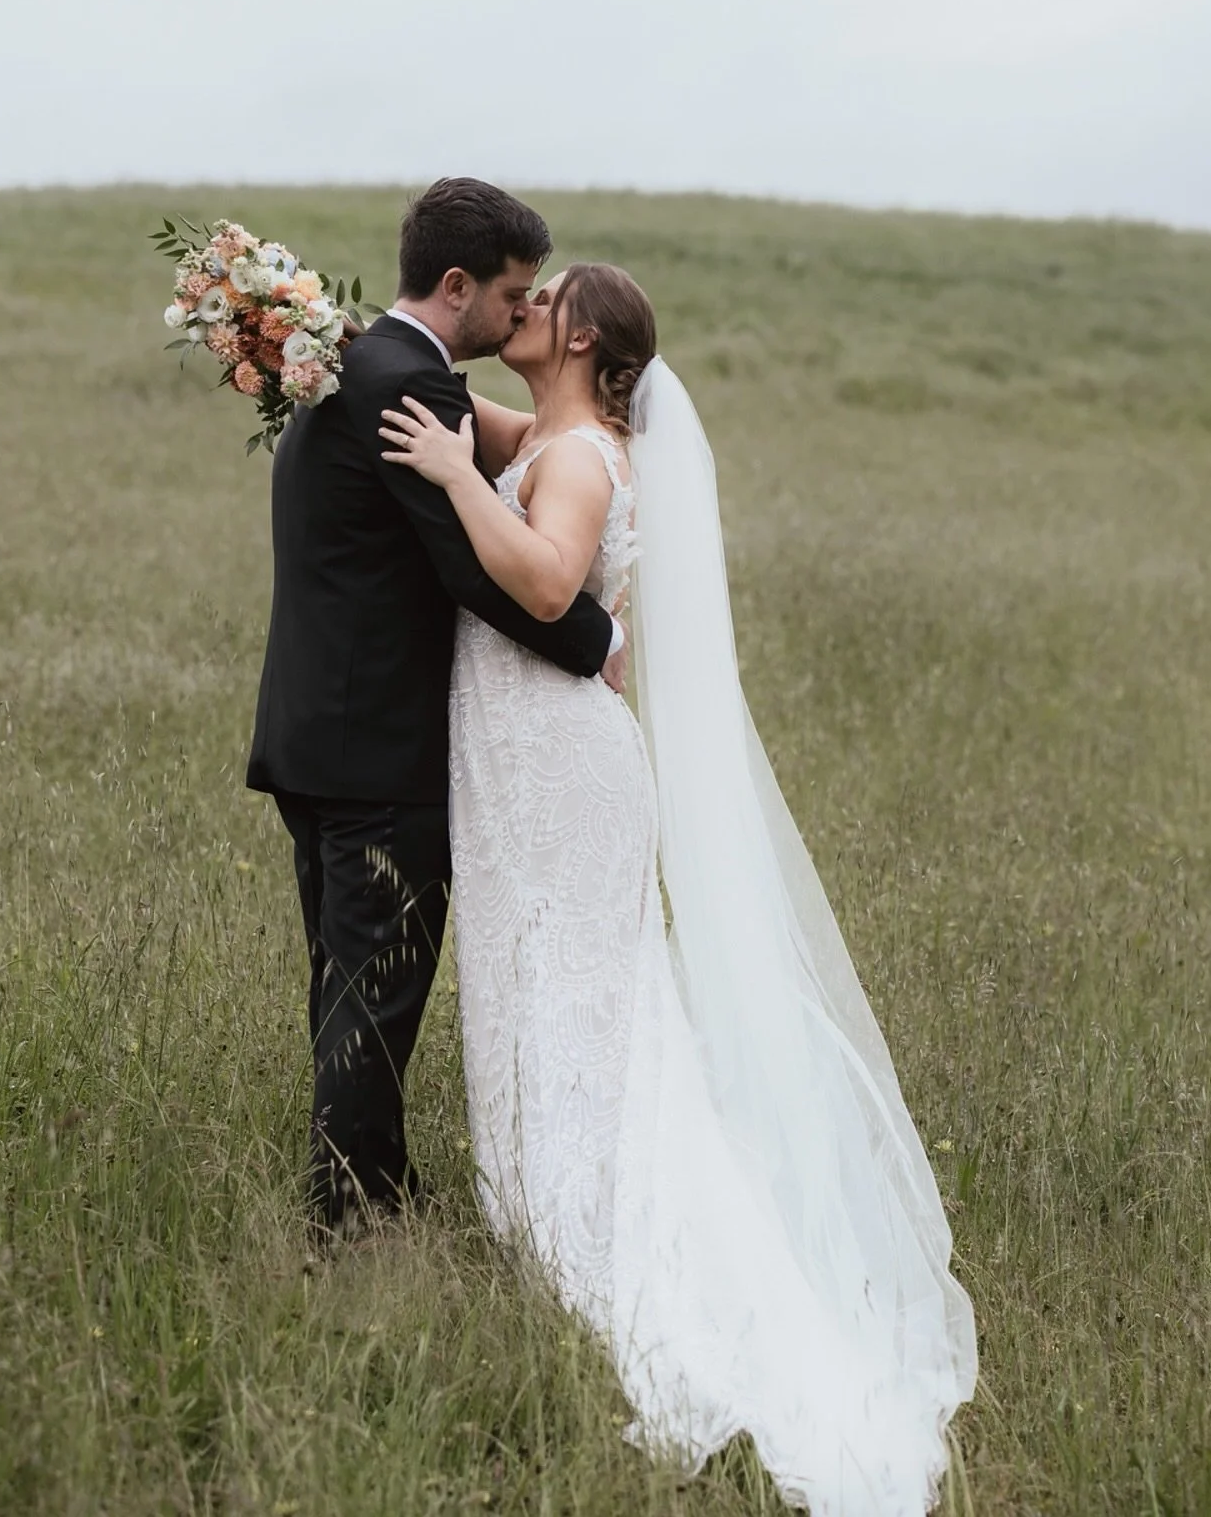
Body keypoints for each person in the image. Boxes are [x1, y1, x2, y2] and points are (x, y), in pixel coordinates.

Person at [379, 263, 978, 1517]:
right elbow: (471, 425)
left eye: (538, 301)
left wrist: (446, 480)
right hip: (529, 758)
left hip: (558, 774)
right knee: (543, 986)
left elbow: (548, 584)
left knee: (584, 998)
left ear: (582, 335)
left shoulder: (585, 457)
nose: (519, 310)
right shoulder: (551, 433)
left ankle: (590, 1234)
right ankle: (546, 1207)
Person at [245, 179, 625, 1230]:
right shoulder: (410, 385)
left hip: (316, 731)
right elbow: (475, 571)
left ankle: (370, 1182)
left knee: (347, 984)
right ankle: (352, 1217)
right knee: (374, 993)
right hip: (378, 757)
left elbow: (533, 448)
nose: (520, 313)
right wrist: (604, 637)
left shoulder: (363, 361)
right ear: (457, 285)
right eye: (512, 294)